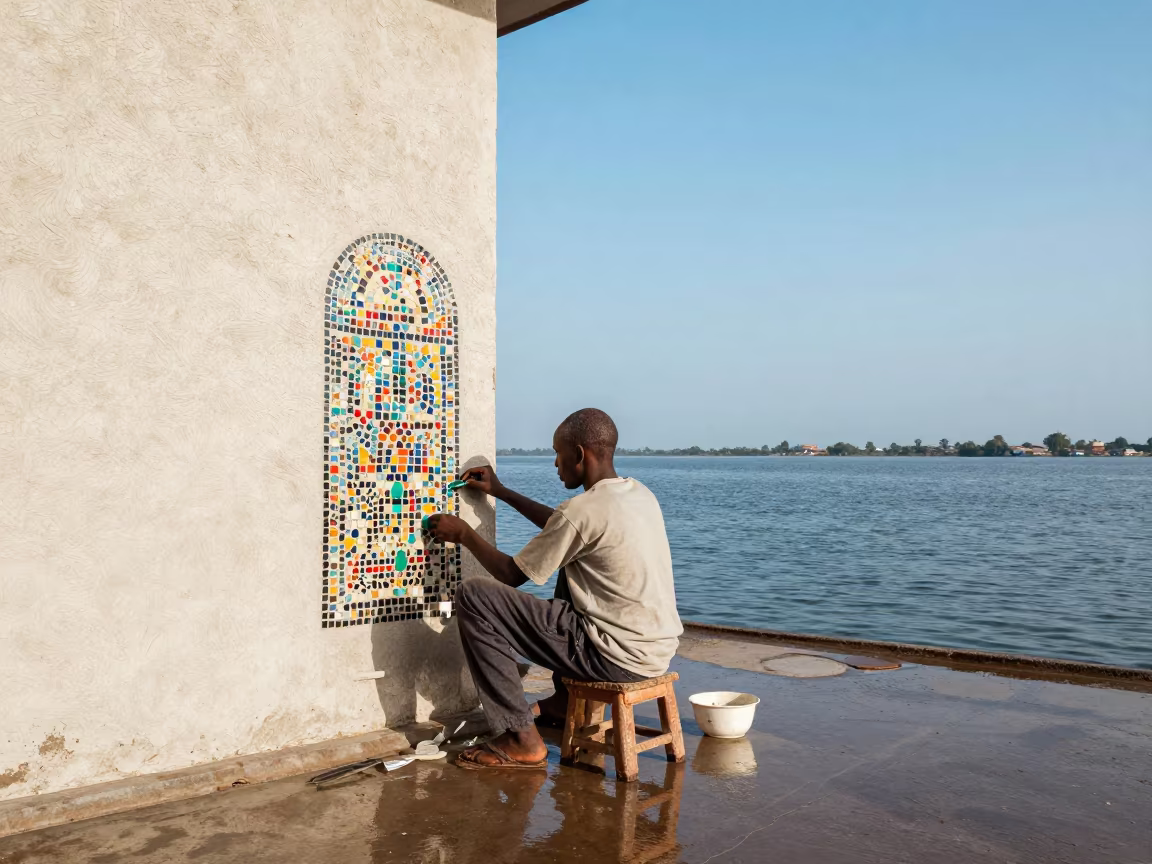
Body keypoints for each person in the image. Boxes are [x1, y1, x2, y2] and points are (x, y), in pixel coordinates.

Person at [425, 408, 682, 770]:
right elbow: (564, 530)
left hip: (612, 658)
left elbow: (511, 574)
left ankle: (520, 738)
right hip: (655, 652)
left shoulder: (581, 511)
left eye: (558, 453)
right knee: (567, 568)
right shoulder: (638, 494)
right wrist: (500, 492)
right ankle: (563, 702)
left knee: (474, 596)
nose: (555, 463)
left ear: (579, 454)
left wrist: (464, 534)